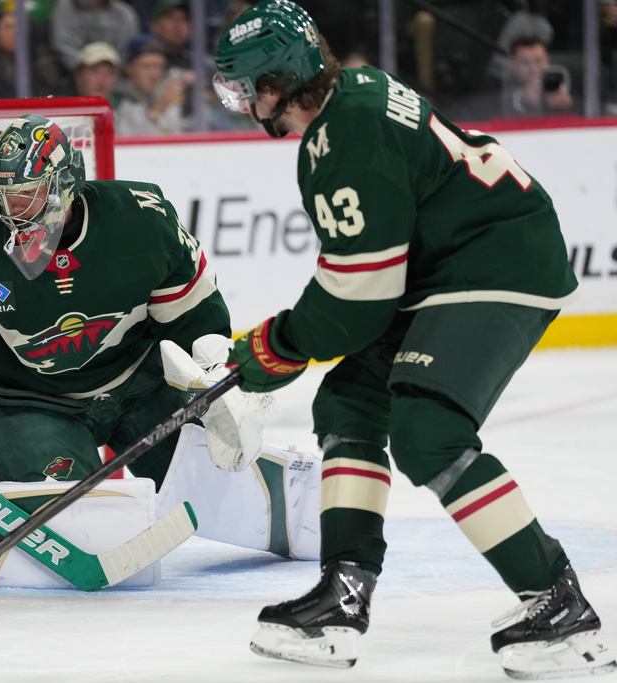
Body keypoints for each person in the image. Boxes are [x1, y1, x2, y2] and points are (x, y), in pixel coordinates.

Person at [211, 1, 613, 679]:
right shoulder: (352, 97)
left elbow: (356, 299)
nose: (240, 104)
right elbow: (365, 286)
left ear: (275, 86)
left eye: (242, 90)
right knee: (349, 403)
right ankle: (342, 596)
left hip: (494, 261)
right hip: (447, 266)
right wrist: (289, 342)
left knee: (429, 432)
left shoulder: (345, 139)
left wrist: (275, 344)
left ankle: (559, 603)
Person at [0, 113, 231, 491]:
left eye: (27, 194)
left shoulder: (143, 222)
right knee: (70, 517)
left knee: (215, 490)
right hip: (28, 402)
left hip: (141, 386)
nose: (11, 209)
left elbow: (195, 317)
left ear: (65, 183)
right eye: (3, 194)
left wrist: (219, 384)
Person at [113, 34, 188, 134]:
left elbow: (176, 134)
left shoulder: (162, 94)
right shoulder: (117, 101)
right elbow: (128, 139)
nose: (154, 74)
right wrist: (157, 111)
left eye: (158, 67)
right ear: (128, 68)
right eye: (146, 67)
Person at [50, 0, 140, 74]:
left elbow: (127, 51)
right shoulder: (65, 7)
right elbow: (62, 45)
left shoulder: (124, 13)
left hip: (115, 74)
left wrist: (110, 71)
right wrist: (84, 69)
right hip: (74, 73)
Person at [500, 34, 574, 117]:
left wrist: (565, 107)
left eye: (538, 60)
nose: (533, 69)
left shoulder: (562, 80)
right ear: (514, 65)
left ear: (547, 60)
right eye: (525, 62)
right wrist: (531, 103)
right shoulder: (503, 89)